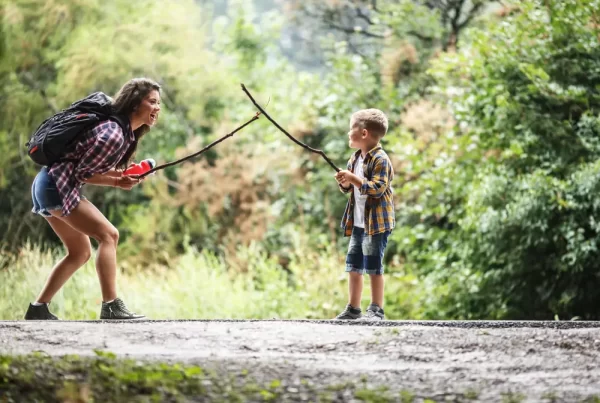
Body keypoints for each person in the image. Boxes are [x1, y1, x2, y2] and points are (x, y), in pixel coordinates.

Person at [24, 77, 162, 320]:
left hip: (48, 183)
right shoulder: (114, 134)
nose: (157, 108)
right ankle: (111, 306)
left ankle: (38, 308)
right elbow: (84, 173)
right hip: (57, 186)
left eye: (158, 103)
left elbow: (84, 166)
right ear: (134, 104)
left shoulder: (123, 132)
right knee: (109, 235)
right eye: (152, 102)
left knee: (79, 252)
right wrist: (118, 180)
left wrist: (121, 176)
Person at [333, 109, 395, 321]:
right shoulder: (355, 158)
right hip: (358, 222)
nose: (348, 133)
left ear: (364, 133)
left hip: (376, 224)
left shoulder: (380, 159)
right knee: (353, 265)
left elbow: (376, 188)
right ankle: (353, 308)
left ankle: (376, 308)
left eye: (351, 129)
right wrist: (345, 183)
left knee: (373, 266)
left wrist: (354, 179)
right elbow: (352, 190)